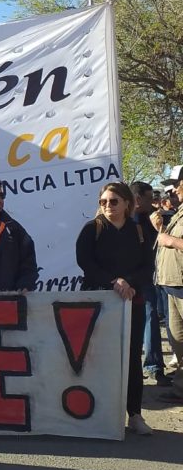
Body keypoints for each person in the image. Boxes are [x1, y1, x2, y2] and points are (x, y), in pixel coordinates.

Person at [76, 182, 152, 435]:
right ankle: (99, 412)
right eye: (103, 202)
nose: (108, 206)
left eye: (114, 201)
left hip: (132, 301)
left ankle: (135, 414)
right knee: (97, 356)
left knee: (131, 357)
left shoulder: (139, 229)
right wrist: (114, 281)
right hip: (100, 303)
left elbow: (148, 265)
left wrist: (129, 282)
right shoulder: (92, 229)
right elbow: (85, 262)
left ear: (127, 203)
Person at [131, 181, 170, 386]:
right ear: (138, 199)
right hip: (135, 280)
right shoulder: (131, 220)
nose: (153, 203)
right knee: (149, 319)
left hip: (147, 277)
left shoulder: (147, 218)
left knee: (150, 318)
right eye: (149, 199)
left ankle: (153, 365)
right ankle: (152, 366)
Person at [152, 166, 183, 406]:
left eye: (176, 185)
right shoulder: (180, 211)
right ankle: (180, 387)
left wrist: (170, 240)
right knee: (177, 340)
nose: (172, 191)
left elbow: (173, 243)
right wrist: (161, 231)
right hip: (171, 284)